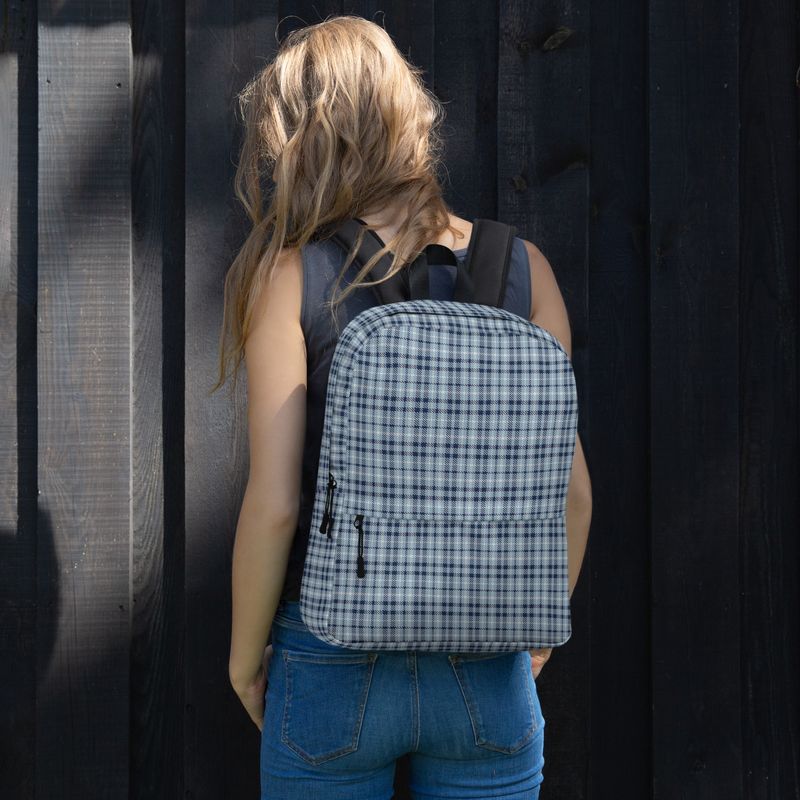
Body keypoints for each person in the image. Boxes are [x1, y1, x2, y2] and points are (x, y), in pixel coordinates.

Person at [217, 15, 593, 800]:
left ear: (303, 139)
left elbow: (277, 504)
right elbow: (576, 495)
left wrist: (246, 661)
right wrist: (537, 633)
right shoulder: (525, 270)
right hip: (485, 667)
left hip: (328, 656)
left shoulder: (292, 275)